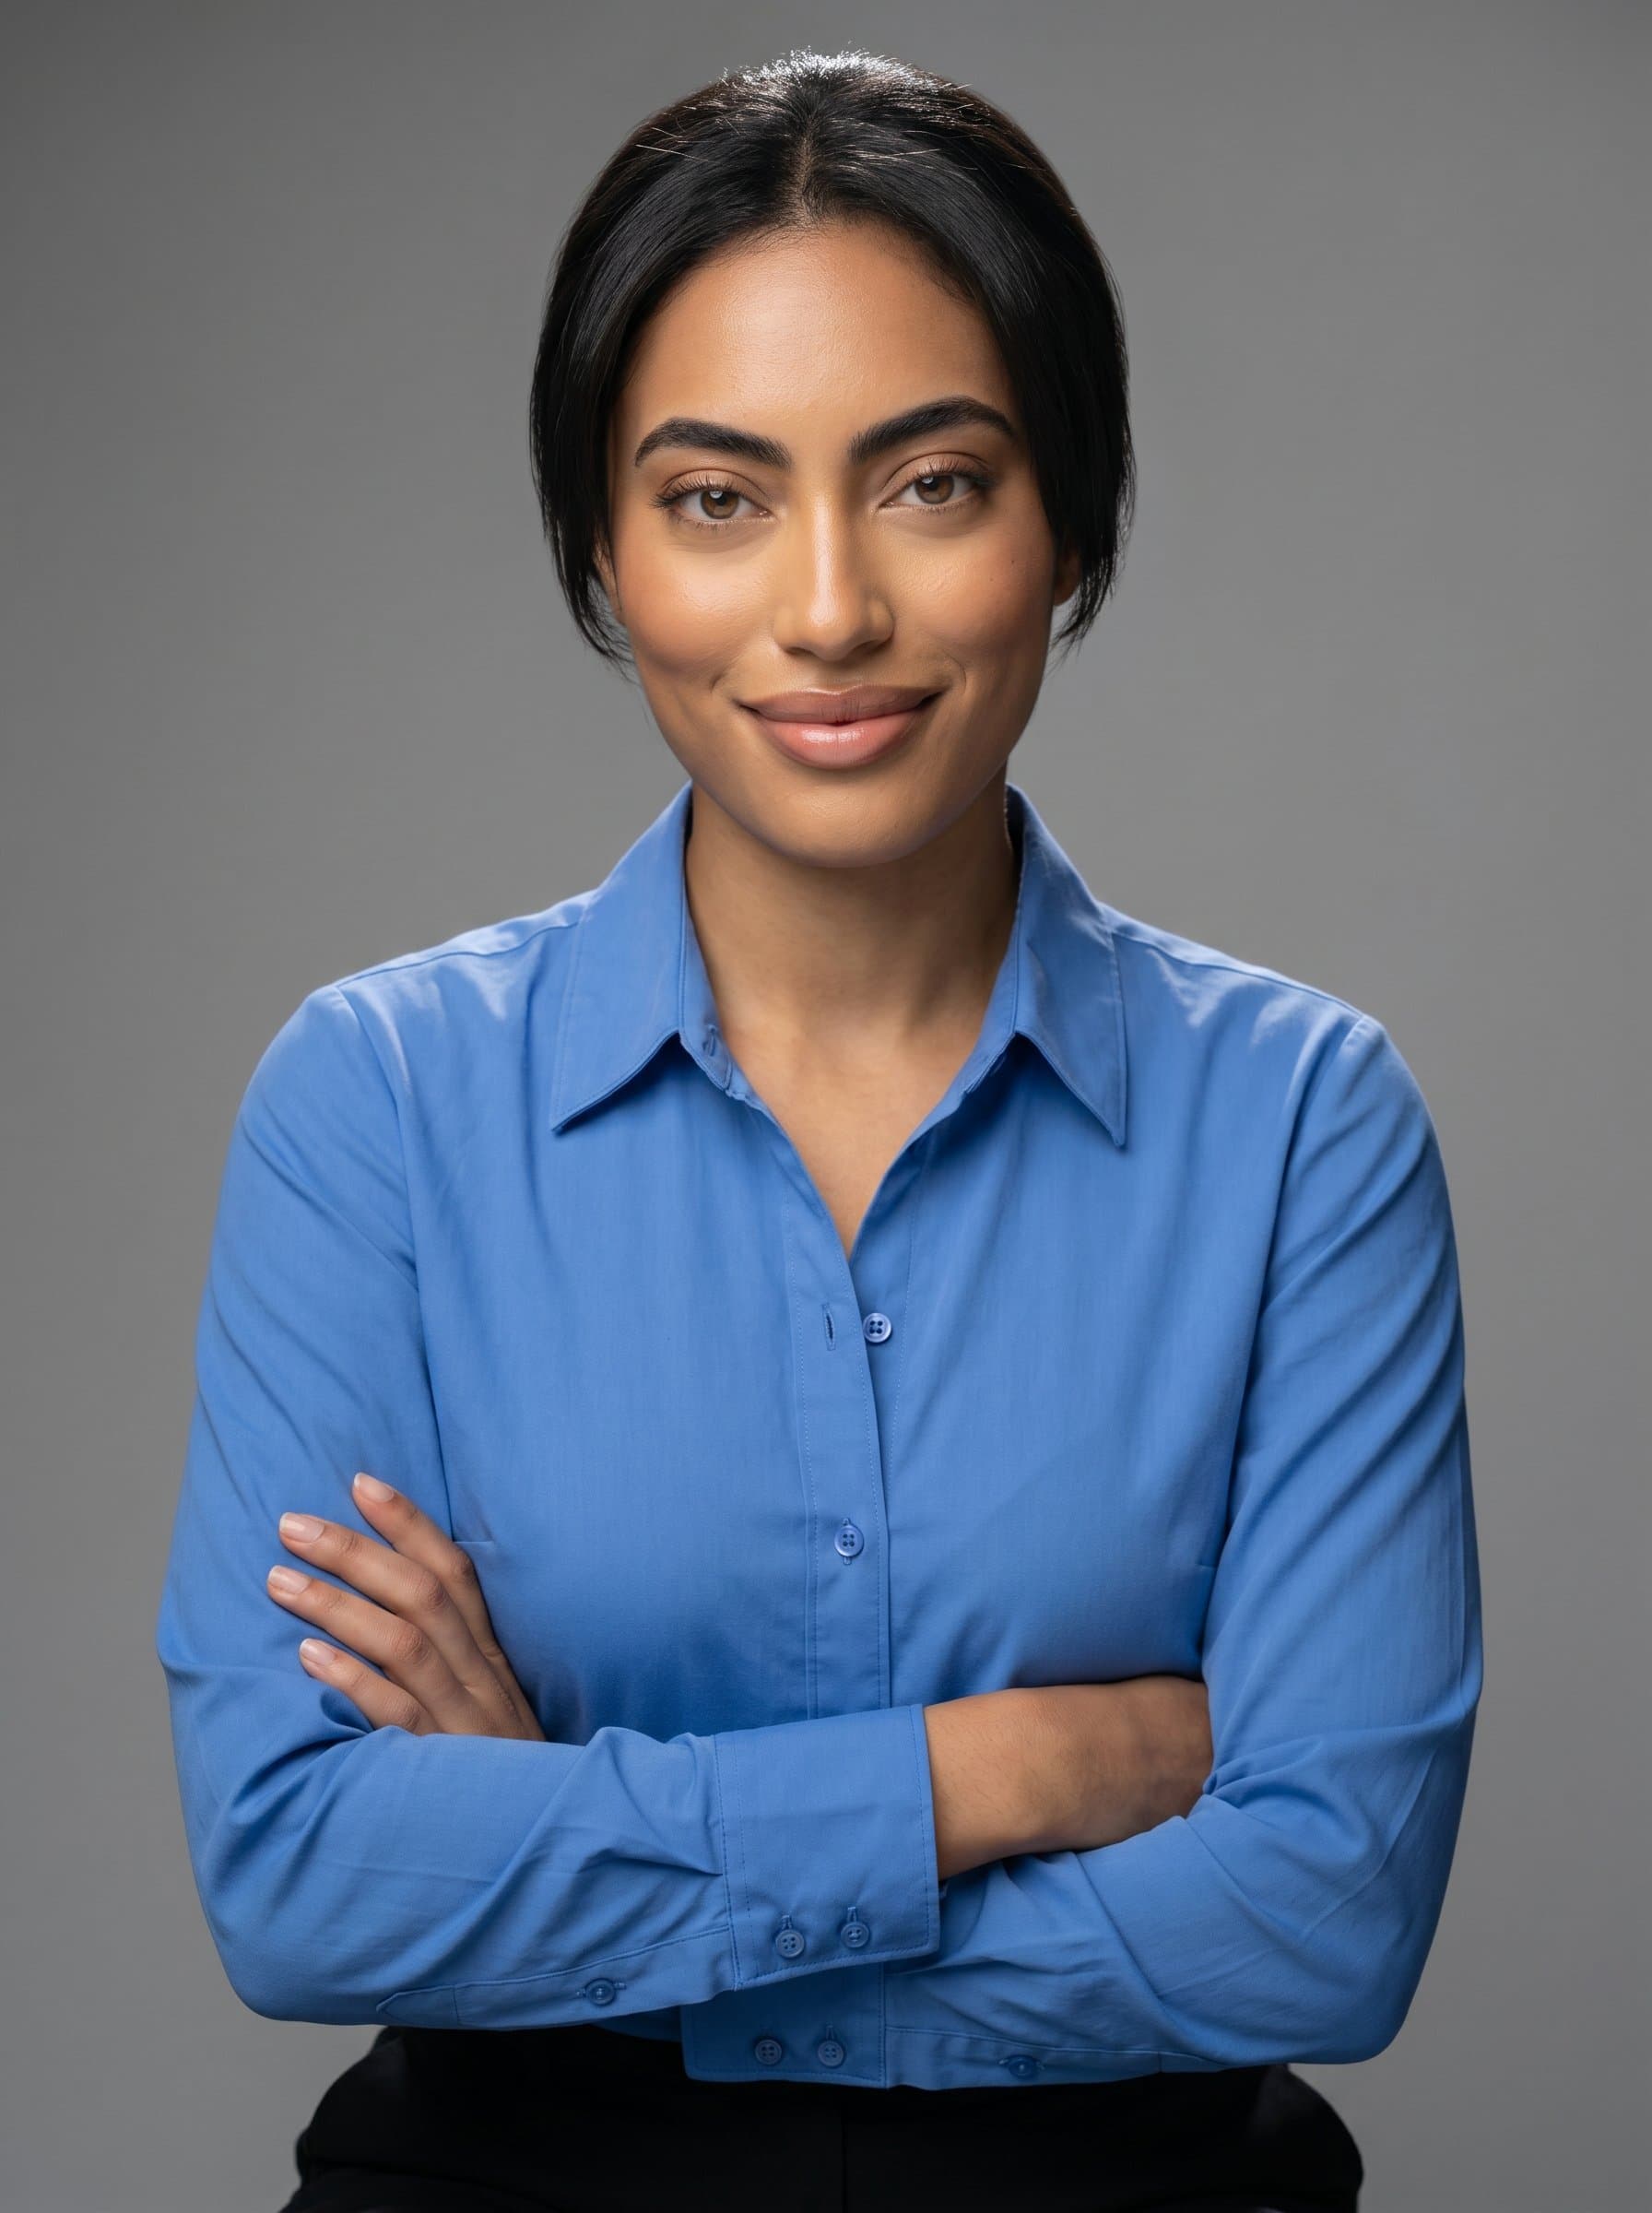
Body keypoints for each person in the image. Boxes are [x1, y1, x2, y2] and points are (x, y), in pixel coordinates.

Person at [154, 46, 1481, 2213]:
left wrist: (578, 1859)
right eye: (713, 497)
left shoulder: (1305, 1129)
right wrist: (1006, 1770)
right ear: (601, 547)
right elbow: (301, 1877)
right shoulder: (378, 1104)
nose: (829, 608)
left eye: (932, 481)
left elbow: (1319, 1923)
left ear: (1072, 518)